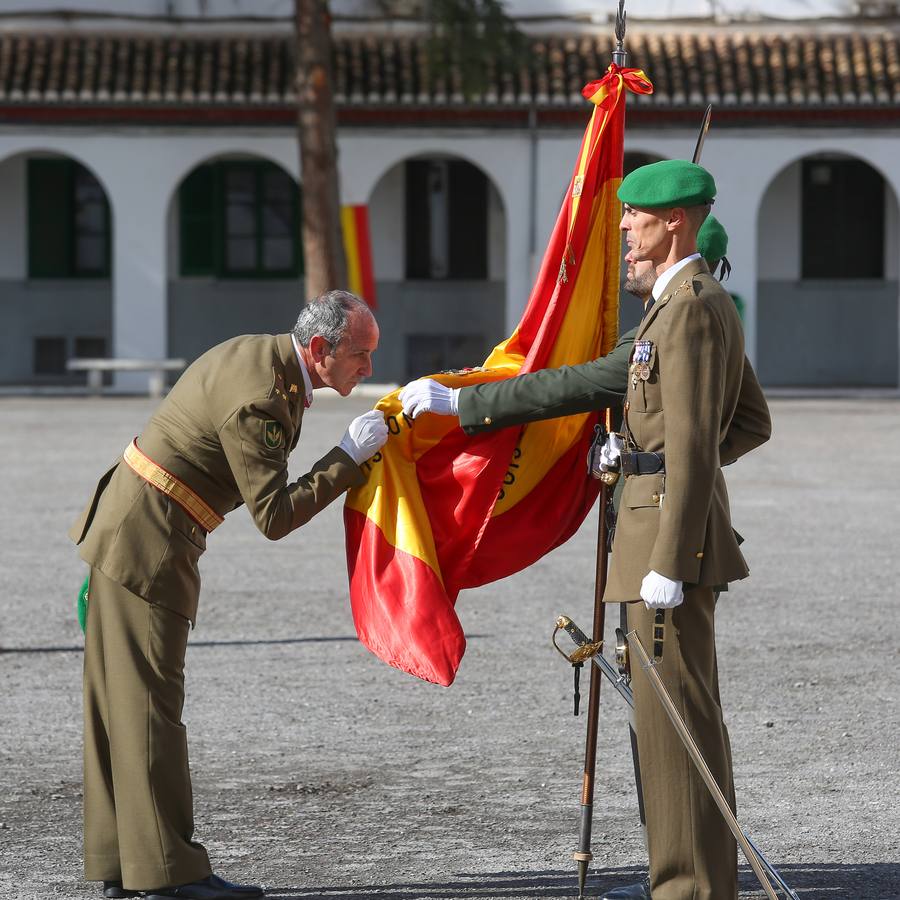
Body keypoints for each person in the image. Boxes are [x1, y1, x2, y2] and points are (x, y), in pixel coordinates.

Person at [400, 160, 771, 899]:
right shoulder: (673, 310)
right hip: (653, 532)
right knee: (666, 725)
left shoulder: (694, 305)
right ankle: (689, 879)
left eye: (635, 217)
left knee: (677, 727)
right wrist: (462, 401)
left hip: (665, 546)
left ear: (675, 223)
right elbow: (589, 387)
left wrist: (672, 537)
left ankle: (689, 888)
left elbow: (700, 439)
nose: (625, 229)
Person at [70, 290, 388, 900]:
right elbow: (274, 516)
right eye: (360, 355)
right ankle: (168, 874)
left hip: (129, 526)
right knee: (148, 710)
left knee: (117, 704)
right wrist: (348, 456)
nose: (367, 368)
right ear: (320, 349)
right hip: (149, 544)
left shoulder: (263, 356)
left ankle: (120, 863)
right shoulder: (263, 396)